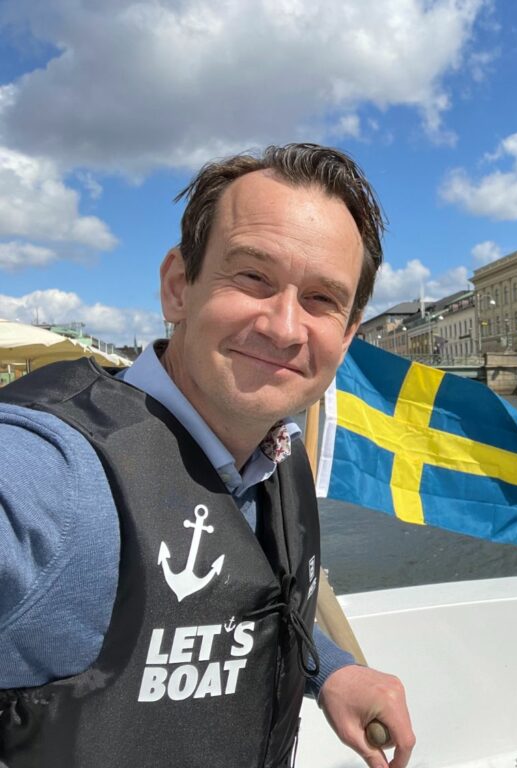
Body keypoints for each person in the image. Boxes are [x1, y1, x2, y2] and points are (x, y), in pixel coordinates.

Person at [0, 144, 415, 768]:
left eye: (323, 300)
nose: (284, 327)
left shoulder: (276, 457)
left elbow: (248, 607)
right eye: (252, 277)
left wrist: (328, 670)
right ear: (178, 287)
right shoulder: (55, 477)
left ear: (349, 334)